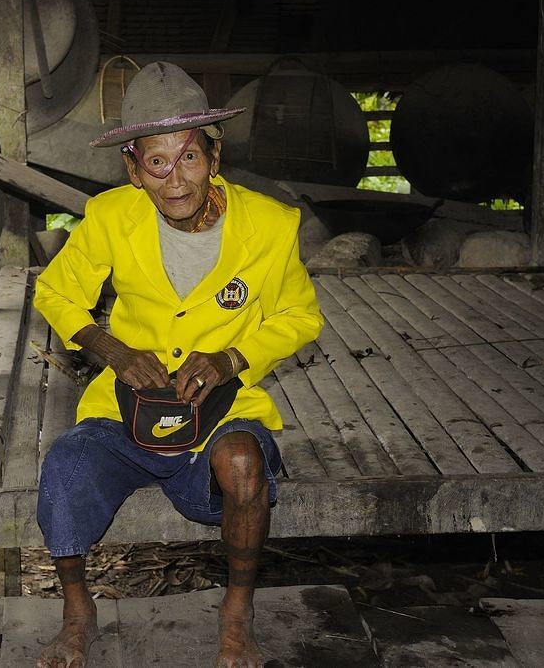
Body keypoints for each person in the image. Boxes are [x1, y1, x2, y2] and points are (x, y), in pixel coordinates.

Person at [32, 61, 325, 668]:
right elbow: (55, 293)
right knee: (64, 466)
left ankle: (237, 614)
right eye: (156, 163)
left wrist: (231, 358)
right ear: (133, 169)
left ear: (214, 157)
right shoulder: (112, 216)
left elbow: (300, 316)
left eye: (189, 158)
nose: (176, 181)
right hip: (126, 407)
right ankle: (77, 608)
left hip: (221, 412)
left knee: (243, 464)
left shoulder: (270, 226)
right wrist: (112, 349)